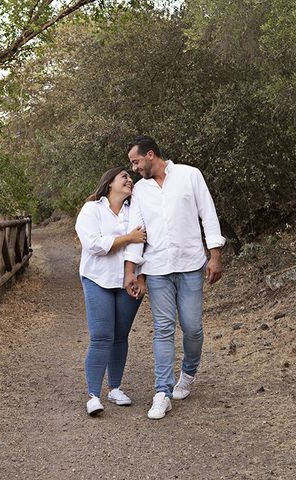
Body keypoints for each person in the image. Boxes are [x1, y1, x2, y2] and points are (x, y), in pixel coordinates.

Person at [123, 135, 225, 420]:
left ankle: (189, 373)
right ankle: (162, 392)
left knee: (192, 328)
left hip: (191, 264)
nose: (134, 168)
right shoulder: (140, 191)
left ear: (151, 155)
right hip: (157, 269)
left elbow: (209, 214)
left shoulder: (190, 175)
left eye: (136, 161)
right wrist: (133, 271)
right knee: (164, 328)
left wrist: (214, 254)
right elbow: (137, 231)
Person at [75, 167, 147, 416]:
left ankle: (115, 388)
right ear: (109, 184)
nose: (130, 180)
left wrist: (142, 276)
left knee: (120, 336)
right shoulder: (92, 209)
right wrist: (128, 237)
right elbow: (93, 245)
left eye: (130, 177)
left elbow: (145, 244)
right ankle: (93, 395)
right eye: (124, 176)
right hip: (97, 279)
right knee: (101, 336)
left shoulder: (135, 210)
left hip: (129, 280)